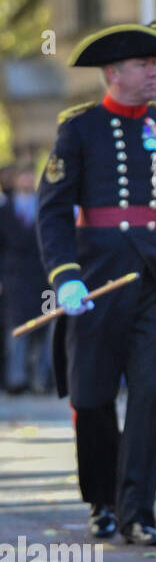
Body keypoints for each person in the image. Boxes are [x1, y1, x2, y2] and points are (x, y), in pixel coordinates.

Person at [36, 22, 156, 545]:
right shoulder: (79, 129)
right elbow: (53, 211)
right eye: (143, 66)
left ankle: (138, 510)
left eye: (155, 65)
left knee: (151, 393)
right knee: (93, 396)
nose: (153, 74)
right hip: (96, 281)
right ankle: (102, 499)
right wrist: (65, 275)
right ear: (113, 73)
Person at [1, 164, 53, 393]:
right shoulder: (5, 210)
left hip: (43, 276)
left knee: (45, 327)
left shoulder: (45, 206)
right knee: (17, 329)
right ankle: (16, 380)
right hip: (15, 279)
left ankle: (41, 379)